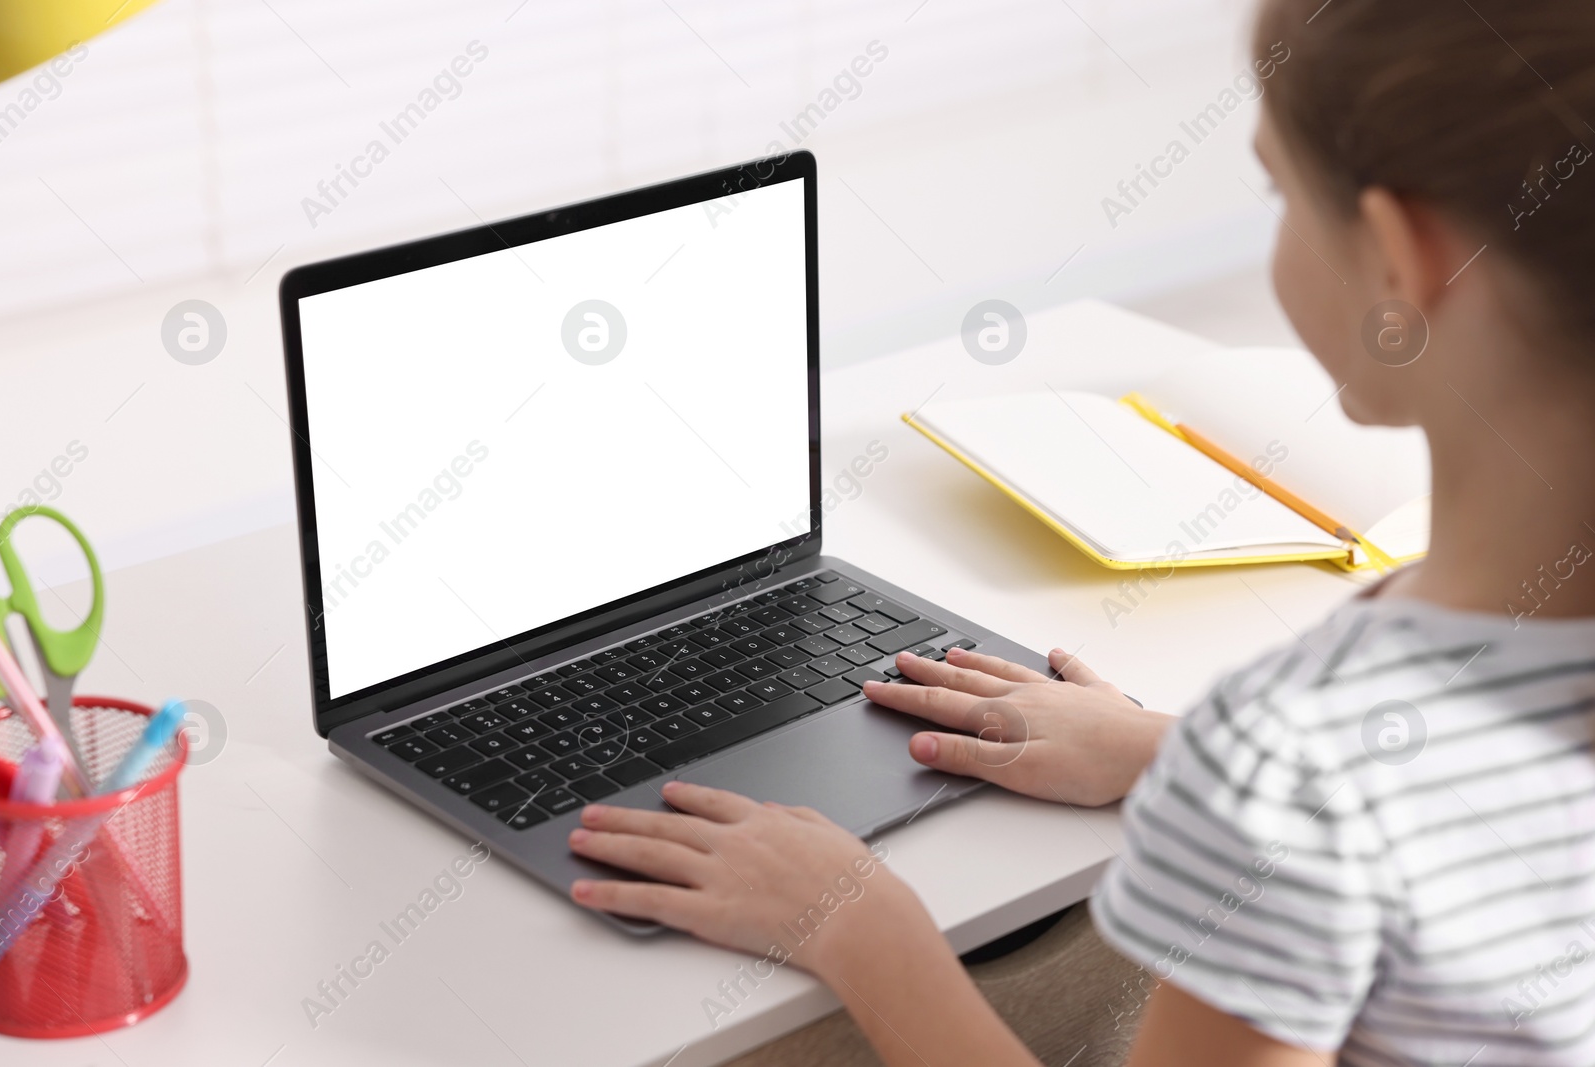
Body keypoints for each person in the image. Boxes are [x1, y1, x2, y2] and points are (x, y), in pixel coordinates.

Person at [564, 0, 1595, 1062]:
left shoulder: (1295, 756)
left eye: (1277, 190)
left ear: (1397, 260)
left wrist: (852, 916)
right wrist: (1169, 749)